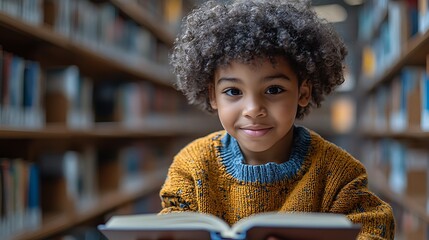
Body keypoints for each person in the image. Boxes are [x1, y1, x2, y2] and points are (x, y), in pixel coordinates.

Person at [160, 0, 395, 239]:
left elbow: (375, 229)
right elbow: (170, 228)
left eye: (273, 90)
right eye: (233, 91)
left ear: (303, 93)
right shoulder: (191, 167)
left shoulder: (338, 173)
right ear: (213, 96)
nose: (253, 109)